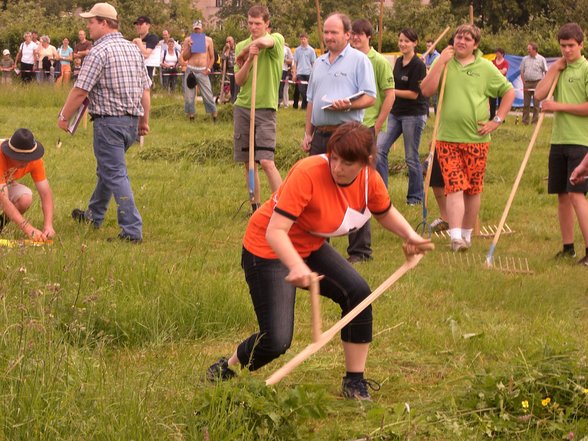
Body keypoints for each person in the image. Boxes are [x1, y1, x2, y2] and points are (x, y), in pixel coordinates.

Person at [206, 122, 432, 400]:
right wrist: (297, 266)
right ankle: (227, 368)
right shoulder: (308, 172)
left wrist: (411, 235)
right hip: (267, 249)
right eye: (333, 157)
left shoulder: (368, 181)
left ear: (365, 162)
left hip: (309, 247)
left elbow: (384, 212)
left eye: (347, 162)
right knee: (277, 340)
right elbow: (275, 231)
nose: (337, 167)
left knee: (358, 295)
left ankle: (354, 381)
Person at [57, 1, 151, 244]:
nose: (88, 27)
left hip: (108, 124)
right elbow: (145, 91)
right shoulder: (133, 49)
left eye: (91, 22)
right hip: (130, 124)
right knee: (108, 172)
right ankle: (94, 215)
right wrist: (144, 122)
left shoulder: (99, 51)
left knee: (115, 173)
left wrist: (64, 116)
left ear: (105, 23)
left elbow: (80, 90)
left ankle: (131, 230)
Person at [420, 24, 514, 252]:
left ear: (476, 45)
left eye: (467, 39)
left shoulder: (485, 67)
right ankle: (455, 237)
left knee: (472, 189)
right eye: (458, 37)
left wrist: (497, 120)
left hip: (477, 139)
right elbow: (426, 90)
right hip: (447, 138)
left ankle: (467, 235)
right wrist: (440, 62)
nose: (461, 41)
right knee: (454, 186)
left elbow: (509, 91)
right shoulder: (444, 63)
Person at [535, 23, 588, 266]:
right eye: (563, 46)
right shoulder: (560, 68)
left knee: (577, 196)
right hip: (559, 139)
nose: (567, 50)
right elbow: (539, 95)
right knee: (562, 196)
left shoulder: (586, 68)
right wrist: (555, 67)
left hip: (581, 140)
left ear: (581, 45)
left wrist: (558, 107)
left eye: (571, 46)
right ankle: (568, 248)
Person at [347, 18, 395, 263]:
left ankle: (361, 249)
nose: (355, 38)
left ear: (368, 36)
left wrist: (377, 125)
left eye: (359, 35)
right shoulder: (348, 58)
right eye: (352, 34)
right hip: (346, 126)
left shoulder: (378, 62)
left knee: (362, 186)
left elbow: (389, 95)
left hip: (366, 128)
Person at [302, 12, 376, 157]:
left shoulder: (359, 60)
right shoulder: (318, 62)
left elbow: (370, 97)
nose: (329, 37)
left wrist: (348, 105)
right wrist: (308, 134)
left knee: (342, 178)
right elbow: (311, 100)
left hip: (345, 135)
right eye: (326, 32)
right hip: (319, 136)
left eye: (334, 32)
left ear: (347, 35)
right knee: (317, 178)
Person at [233, 5, 284, 212]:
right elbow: (239, 80)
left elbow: (265, 41)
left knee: (265, 160)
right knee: (248, 162)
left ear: (267, 24)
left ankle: (284, 205)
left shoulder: (276, 40)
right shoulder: (241, 46)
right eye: (250, 23)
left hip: (265, 109)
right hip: (243, 107)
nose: (253, 27)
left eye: (258, 24)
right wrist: (247, 58)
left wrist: (250, 48)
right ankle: (256, 205)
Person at [376, 29, 428, 205]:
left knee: (411, 157)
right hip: (395, 112)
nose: (402, 44)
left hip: (413, 115)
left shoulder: (418, 66)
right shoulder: (398, 61)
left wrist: (391, 92)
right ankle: (381, 193)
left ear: (415, 43)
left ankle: (415, 197)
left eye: (407, 41)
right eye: (401, 40)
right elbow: (392, 83)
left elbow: (414, 94)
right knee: (379, 149)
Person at [0, 128, 55, 241]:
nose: (25, 163)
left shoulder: (34, 160)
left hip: (3, 185)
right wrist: (28, 229)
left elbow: (45, 193)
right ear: (10, 154)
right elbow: (3, 200)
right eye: (20, 158)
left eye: (28, 158)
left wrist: (48, 225)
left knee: (25, 198)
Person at [181, 20, 218, 122]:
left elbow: (212, 57)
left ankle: (214, 116)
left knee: (208, 95)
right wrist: (189, 46)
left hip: (203, 70)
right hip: (191, 69)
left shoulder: (208, 40)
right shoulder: (188, 40)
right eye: (195, 29)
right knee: (189, 96)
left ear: (202, 28)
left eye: (199, 28)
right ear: (193, 29)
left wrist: (209, 69)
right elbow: (185, 57)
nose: (197, 30)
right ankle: (191, 117)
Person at [520, 42, 548, 125]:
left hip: (537, 84)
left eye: (529, 49)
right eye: (528, 49)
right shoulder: (524, 59)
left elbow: (546, 71)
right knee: (526, 104)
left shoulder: (541, 59)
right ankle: (525, 121)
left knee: (536, 105)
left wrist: (544, 83)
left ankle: (535, 122)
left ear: (534, 49)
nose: (528, 50)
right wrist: (523, 82)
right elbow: (522, 71)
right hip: (527, 83)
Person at [291, 32, 316, 110]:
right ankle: (308, 105)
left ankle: (305, 106)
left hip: (309, 73)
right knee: (302, 91)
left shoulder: (311, 50)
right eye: (301, 39)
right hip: (300, 73)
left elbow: (313, 63)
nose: (303, 40)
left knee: (309, 91)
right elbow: (295, 62)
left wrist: (314, 73)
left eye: (304, 39)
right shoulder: (297, 50)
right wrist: (294, 74)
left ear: (307, 39)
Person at [133, 16, 159, 81]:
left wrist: (139, 42)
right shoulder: (136, 39)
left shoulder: (152, 38)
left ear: (148, 25)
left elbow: (146, 54)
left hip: (147, 72)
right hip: (135, 71)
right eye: (137, 24)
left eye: (141, 24)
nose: (138, 26)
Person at [221, 36, 237, 103]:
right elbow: (224, 58)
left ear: (233, 41)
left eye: (229, 41)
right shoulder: (226, 48)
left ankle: (236, 99)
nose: (228, 43)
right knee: (232, 84)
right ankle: (232, 100)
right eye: (227, 42)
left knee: (237, 84)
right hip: (230, 68)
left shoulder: (237, 47)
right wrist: (227, 50)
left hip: (237, 67)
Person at [278, 42, 293, 107]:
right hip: (275, 68)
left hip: (284, 69)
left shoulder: (287, 49)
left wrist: (285, 60)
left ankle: (279, 102)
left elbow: (291, 60)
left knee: (281, 86)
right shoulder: (275, 47)